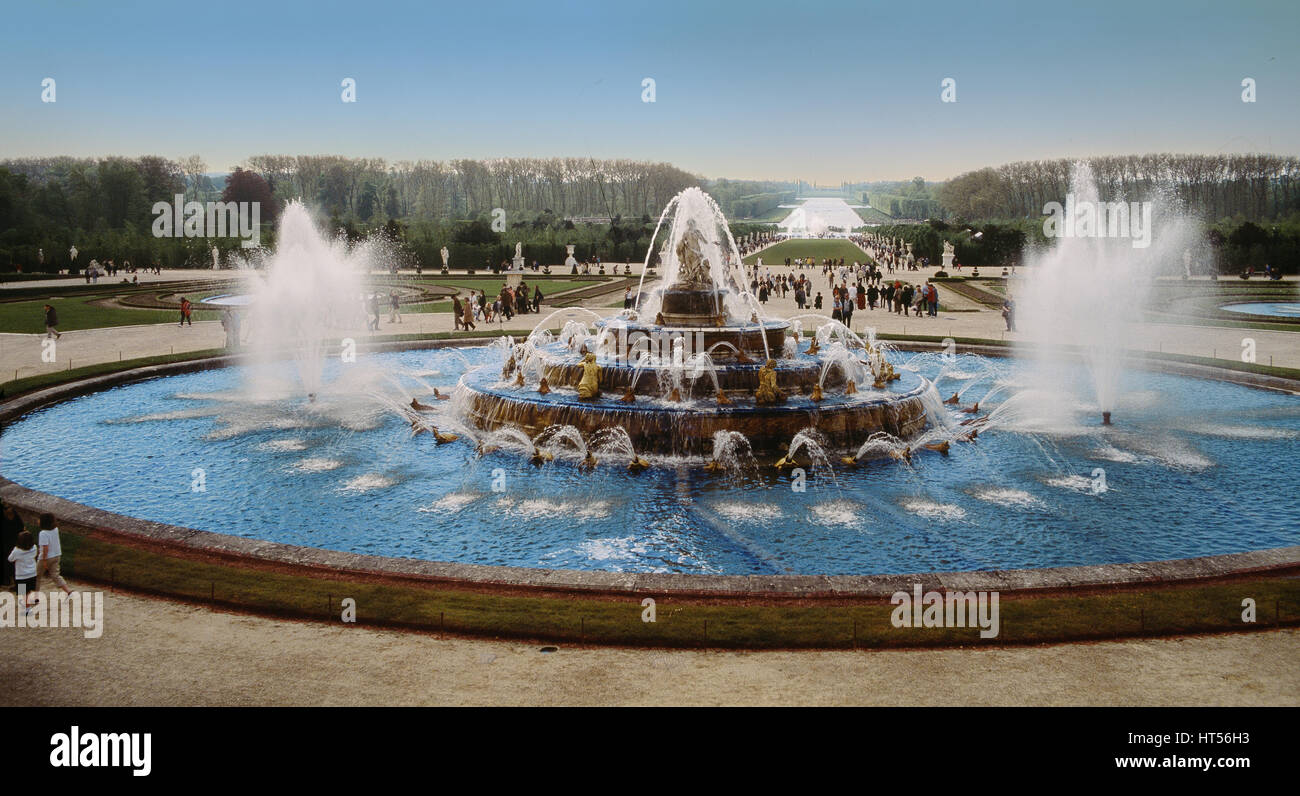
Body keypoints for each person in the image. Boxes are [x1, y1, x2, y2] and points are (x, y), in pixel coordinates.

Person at [38, 513, 69, 594]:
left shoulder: (43, 533)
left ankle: (33, 597)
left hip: (46, 557)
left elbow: (45, 548)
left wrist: (44, 560)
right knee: (56, 575)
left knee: (36, 578)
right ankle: (68, 591)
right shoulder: (55, 529)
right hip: (56, 555)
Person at [8, 530, 39, 611]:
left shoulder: (16, 550)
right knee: (28, 590)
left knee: (23, 592)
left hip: (21, 576)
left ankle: (27, 608)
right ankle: (27, 602)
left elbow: (10, 559)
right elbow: (35, 555)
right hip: (32, 573)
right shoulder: (34, 547)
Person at [0, 502, 21, 587]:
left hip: (22, 574)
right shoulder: (31, 549)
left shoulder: (16, 552)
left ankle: (7, 581)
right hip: (26, 574)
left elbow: (10, 559)